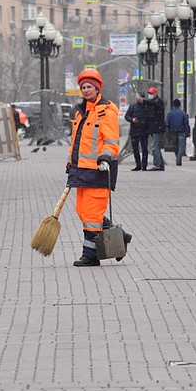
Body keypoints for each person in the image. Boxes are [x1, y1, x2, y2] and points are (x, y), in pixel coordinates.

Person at [66, 69, 130, 267]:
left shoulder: (106, 111)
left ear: (97, 88)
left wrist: (105, 158)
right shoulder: (80, 111)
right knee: (82, 211)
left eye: (89, 87)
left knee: (92, 216)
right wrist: (71, 161)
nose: (86, 90)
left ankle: (90, 255)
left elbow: (111, 141)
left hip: (99, 169)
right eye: (83, 87)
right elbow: (77, 141)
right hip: (81, 169)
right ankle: (119, 236)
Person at [124, 92, 149, 171]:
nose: (137, 98)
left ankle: (144, 165)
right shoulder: (133, 106)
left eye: (138, 96)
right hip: (134, 130)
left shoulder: (146, 106)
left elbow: (150, 117)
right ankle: (138, 164)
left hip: (144, 131)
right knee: (135, 149)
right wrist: (132, 119)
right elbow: (127, 116)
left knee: (144, 149)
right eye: (136, 96)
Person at [143, 87, 166, 171]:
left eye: (151, 93)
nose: (150, 95)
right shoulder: (154, 102)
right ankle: (160, 164)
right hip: (155, 128)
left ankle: (158, 164)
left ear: (156, 94)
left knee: (155, 147)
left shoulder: (158, 101)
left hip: (157, 128)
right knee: (156, 146)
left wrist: (144, 101)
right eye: (149, 93)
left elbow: (154, 105)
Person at [165, 98, 191, 166]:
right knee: (181, 147)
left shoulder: (170, 113)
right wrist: (187, 132)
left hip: (173, 132)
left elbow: (167, 123)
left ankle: (177, 158)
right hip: (182, 132)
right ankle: (178, 159)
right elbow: (186, 123)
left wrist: (168, 132)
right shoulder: (183, 113)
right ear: (180, 105)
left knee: (175, 146)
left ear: (173, 105)